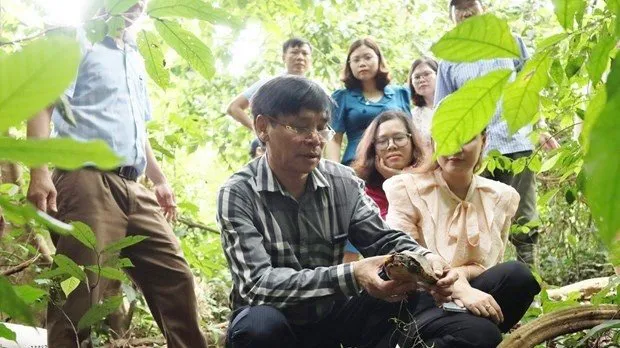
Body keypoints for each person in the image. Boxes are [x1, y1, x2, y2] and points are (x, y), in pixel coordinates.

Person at [217, 76, 459, 348]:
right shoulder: (239, 193)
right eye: (300, 127)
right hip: (275, 323)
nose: (315, 140)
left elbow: (382, 238)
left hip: (331, 316)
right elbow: (257, 285)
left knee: (404, 289)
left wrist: (426, 259)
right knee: (258, 328)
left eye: (322, 128)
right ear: (263, 127)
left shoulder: (342, 181)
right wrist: (353, 274)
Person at [26, 2, 207, 347]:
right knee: (80, 291)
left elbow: (137, 129)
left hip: (134, 186)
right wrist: (39, 172)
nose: (138, 4)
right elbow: (43, 103)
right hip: (86, 180)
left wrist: (159, 178)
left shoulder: (135, 55)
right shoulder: (78, 40)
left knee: (176, 278)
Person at [384, 131, 541, 348]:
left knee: (519, 277)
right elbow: (402, 259)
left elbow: (488, 266)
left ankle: (466, 334)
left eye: (466, 138)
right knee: (483, 334)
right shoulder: (406, 188)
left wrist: (461, 278)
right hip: (418, 302)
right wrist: (458, 288)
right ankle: (463, 336)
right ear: (434, 142)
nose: (456, 149)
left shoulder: (501, 196)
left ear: (484, 141)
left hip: (472, 294)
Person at [434, 0, 559, 265]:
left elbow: (529, 86)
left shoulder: (511, 43)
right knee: (477, 219)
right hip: (474, 153)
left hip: (517, 141)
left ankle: (530, 282)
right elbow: (443, 107)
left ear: (484, 11)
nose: (465, 11)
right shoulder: (448, 60)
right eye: (459, 8)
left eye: (471, 5)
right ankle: (489, 281)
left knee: (524, 216)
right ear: (452, 18)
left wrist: (541, 127)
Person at [326, 37, 411, 166]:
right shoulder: (342, 97)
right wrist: (334, 170)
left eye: (367, 57)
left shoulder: (400, 93)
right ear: (349, 64)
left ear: (378, 59)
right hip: (357, 165)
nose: (362, 63)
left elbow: (411, 134)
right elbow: (334, 139)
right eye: (356, 60)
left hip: (396, 165)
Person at [351, 110, 430, 219]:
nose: (391, 146)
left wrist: (400, 179)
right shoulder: (363, 189)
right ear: (373, 147)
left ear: (412, 141)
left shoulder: (431, 177)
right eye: (382, 141)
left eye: (399, 138)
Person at [226, 38, 313, 130]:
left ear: (310, 59)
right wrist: (259, 130)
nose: (300, 57)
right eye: (294, 52)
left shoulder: (315, 90)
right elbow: (234, 108)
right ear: (283, 57)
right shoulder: (270, 84)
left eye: (305, 53)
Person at [408, 56, 438, 149]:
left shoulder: (454, 105)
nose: (421, 80)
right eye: (417, 77)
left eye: (427, 74)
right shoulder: (411, 116)